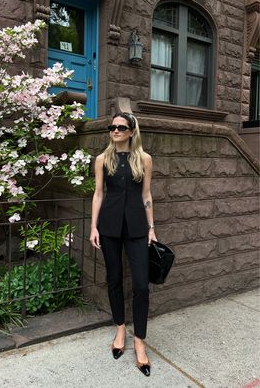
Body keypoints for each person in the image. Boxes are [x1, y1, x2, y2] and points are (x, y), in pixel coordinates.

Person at [89, 112, 157, 377]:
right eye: (112, 127)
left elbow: (147, 194)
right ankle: (120, 328)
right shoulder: (102, 159)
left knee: (141, 284)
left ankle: (139, 340)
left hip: (138, 228)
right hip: (108, 227)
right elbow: (98, 193)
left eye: (121, 127)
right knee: (114, 278)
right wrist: (94, 227)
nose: (115, 131)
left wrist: (152, 228)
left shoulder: (144, 159)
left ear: (131, 132)